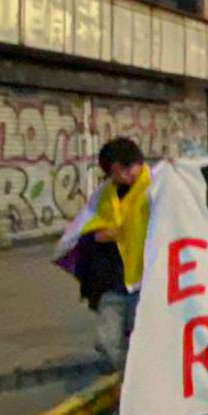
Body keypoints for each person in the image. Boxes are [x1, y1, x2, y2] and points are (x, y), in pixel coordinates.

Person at [57, 138, 151, 371]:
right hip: (112, 281)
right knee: (108, 341)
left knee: (143, 341)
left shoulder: (157, 185)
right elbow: (84, 226)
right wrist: (96, 237)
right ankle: (124, 380)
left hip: (146, 281)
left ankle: (135, 386)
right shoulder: (105, 193)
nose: (118, 176)